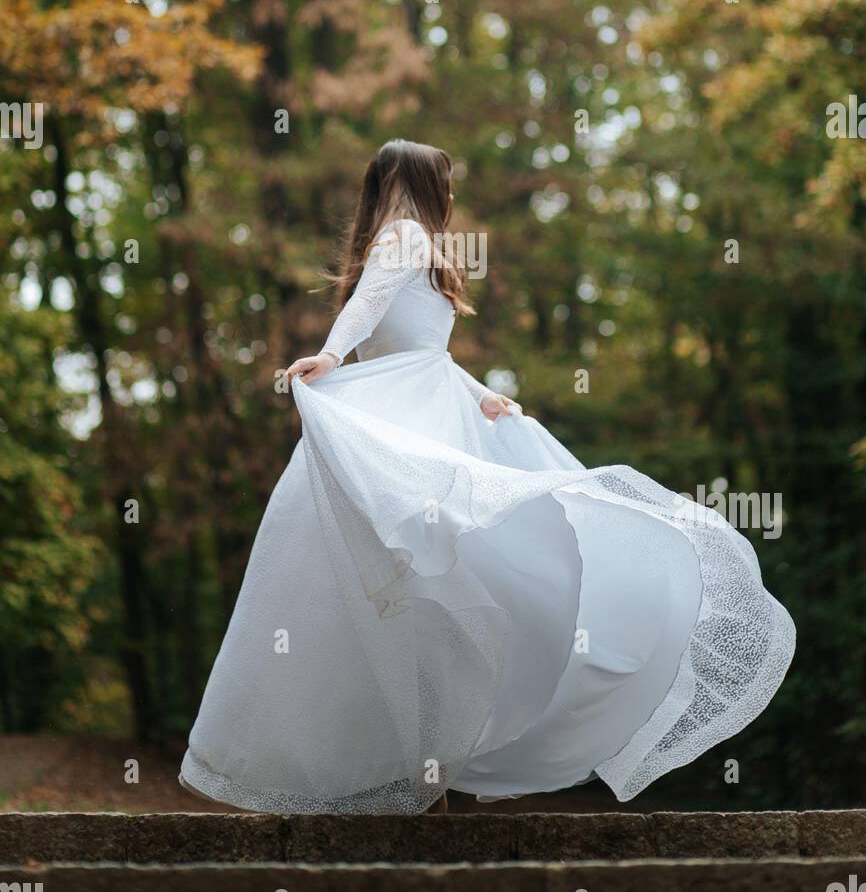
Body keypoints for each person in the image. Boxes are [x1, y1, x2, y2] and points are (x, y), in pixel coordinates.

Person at [179, 139, 795, 814]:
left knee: (431, 599)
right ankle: (437, 774)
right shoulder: (408, 235)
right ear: (426, 183)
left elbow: (426, 351)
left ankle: (440, 771)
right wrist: (329, 354)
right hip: (405, 421)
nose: (449, 196)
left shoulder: (398, 242)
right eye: (445, 182)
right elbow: (367, 316)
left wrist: (481, 397)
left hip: (423, 406)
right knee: (454, 590)